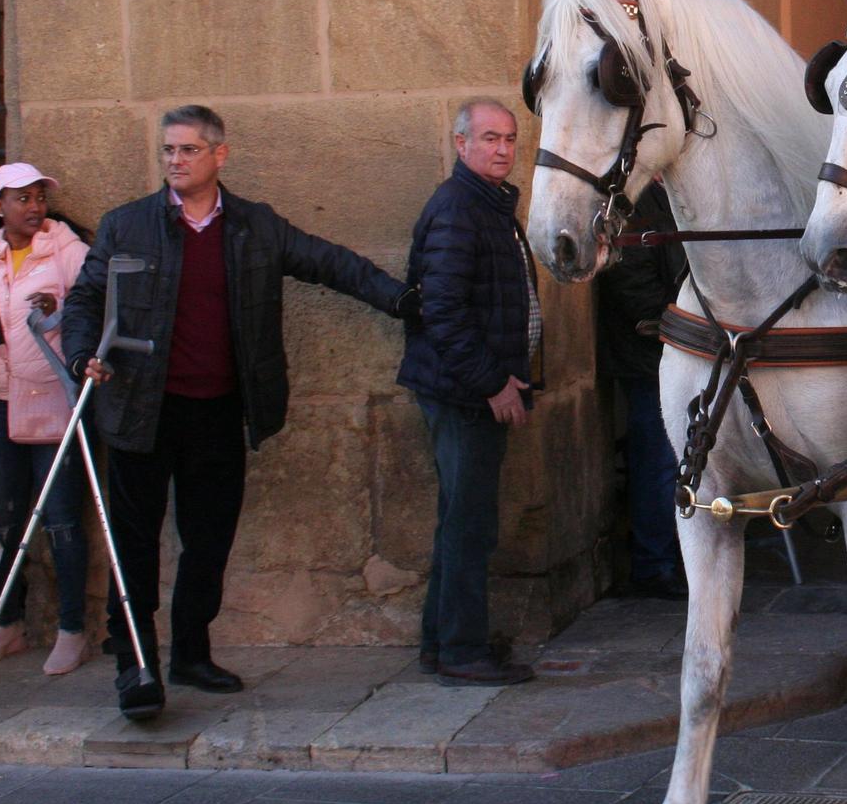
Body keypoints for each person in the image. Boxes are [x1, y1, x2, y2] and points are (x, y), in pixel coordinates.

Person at [62, 105, 417, 719]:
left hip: (218, 411)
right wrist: (79, 357)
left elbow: (328, 262)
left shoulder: (254, 227)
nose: (175, 161)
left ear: (219, 155)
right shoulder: (127, 226)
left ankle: (191, 653)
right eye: (168, 151)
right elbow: (85, 299)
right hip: (140, 410)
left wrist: (400, 299)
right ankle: (136, 665)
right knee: (135, 545)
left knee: (208, 541)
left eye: (188, 150)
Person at [398, 98, 543, 686]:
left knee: (462, 519)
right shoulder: (460, 208)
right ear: (461, 145)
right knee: (470, 524)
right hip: (464, 394)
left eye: (509, 139)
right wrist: (492, 383)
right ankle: (461, 649)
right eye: (489, 139)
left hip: (474, 389)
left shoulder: (489, 205)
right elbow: (444, 313)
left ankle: (444, 640)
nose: (502, 149)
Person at [0, 165, 92, 674]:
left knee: (62, 520)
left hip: (52, 397)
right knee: (7, 518)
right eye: (22, 198)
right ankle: (7, 622)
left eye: (38, 197)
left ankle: (72, 628)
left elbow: (91, 309)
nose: (34, 207)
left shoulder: (69, 253)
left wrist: (60, 309)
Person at [596, 184, 687, 599]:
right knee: (659, 461)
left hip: (679, 351)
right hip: (649, 355)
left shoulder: (672, 195)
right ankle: (654, 563)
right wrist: (686, 326)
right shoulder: (635, 203)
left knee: (676, 459)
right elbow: (634, 285)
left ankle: (675, 554)